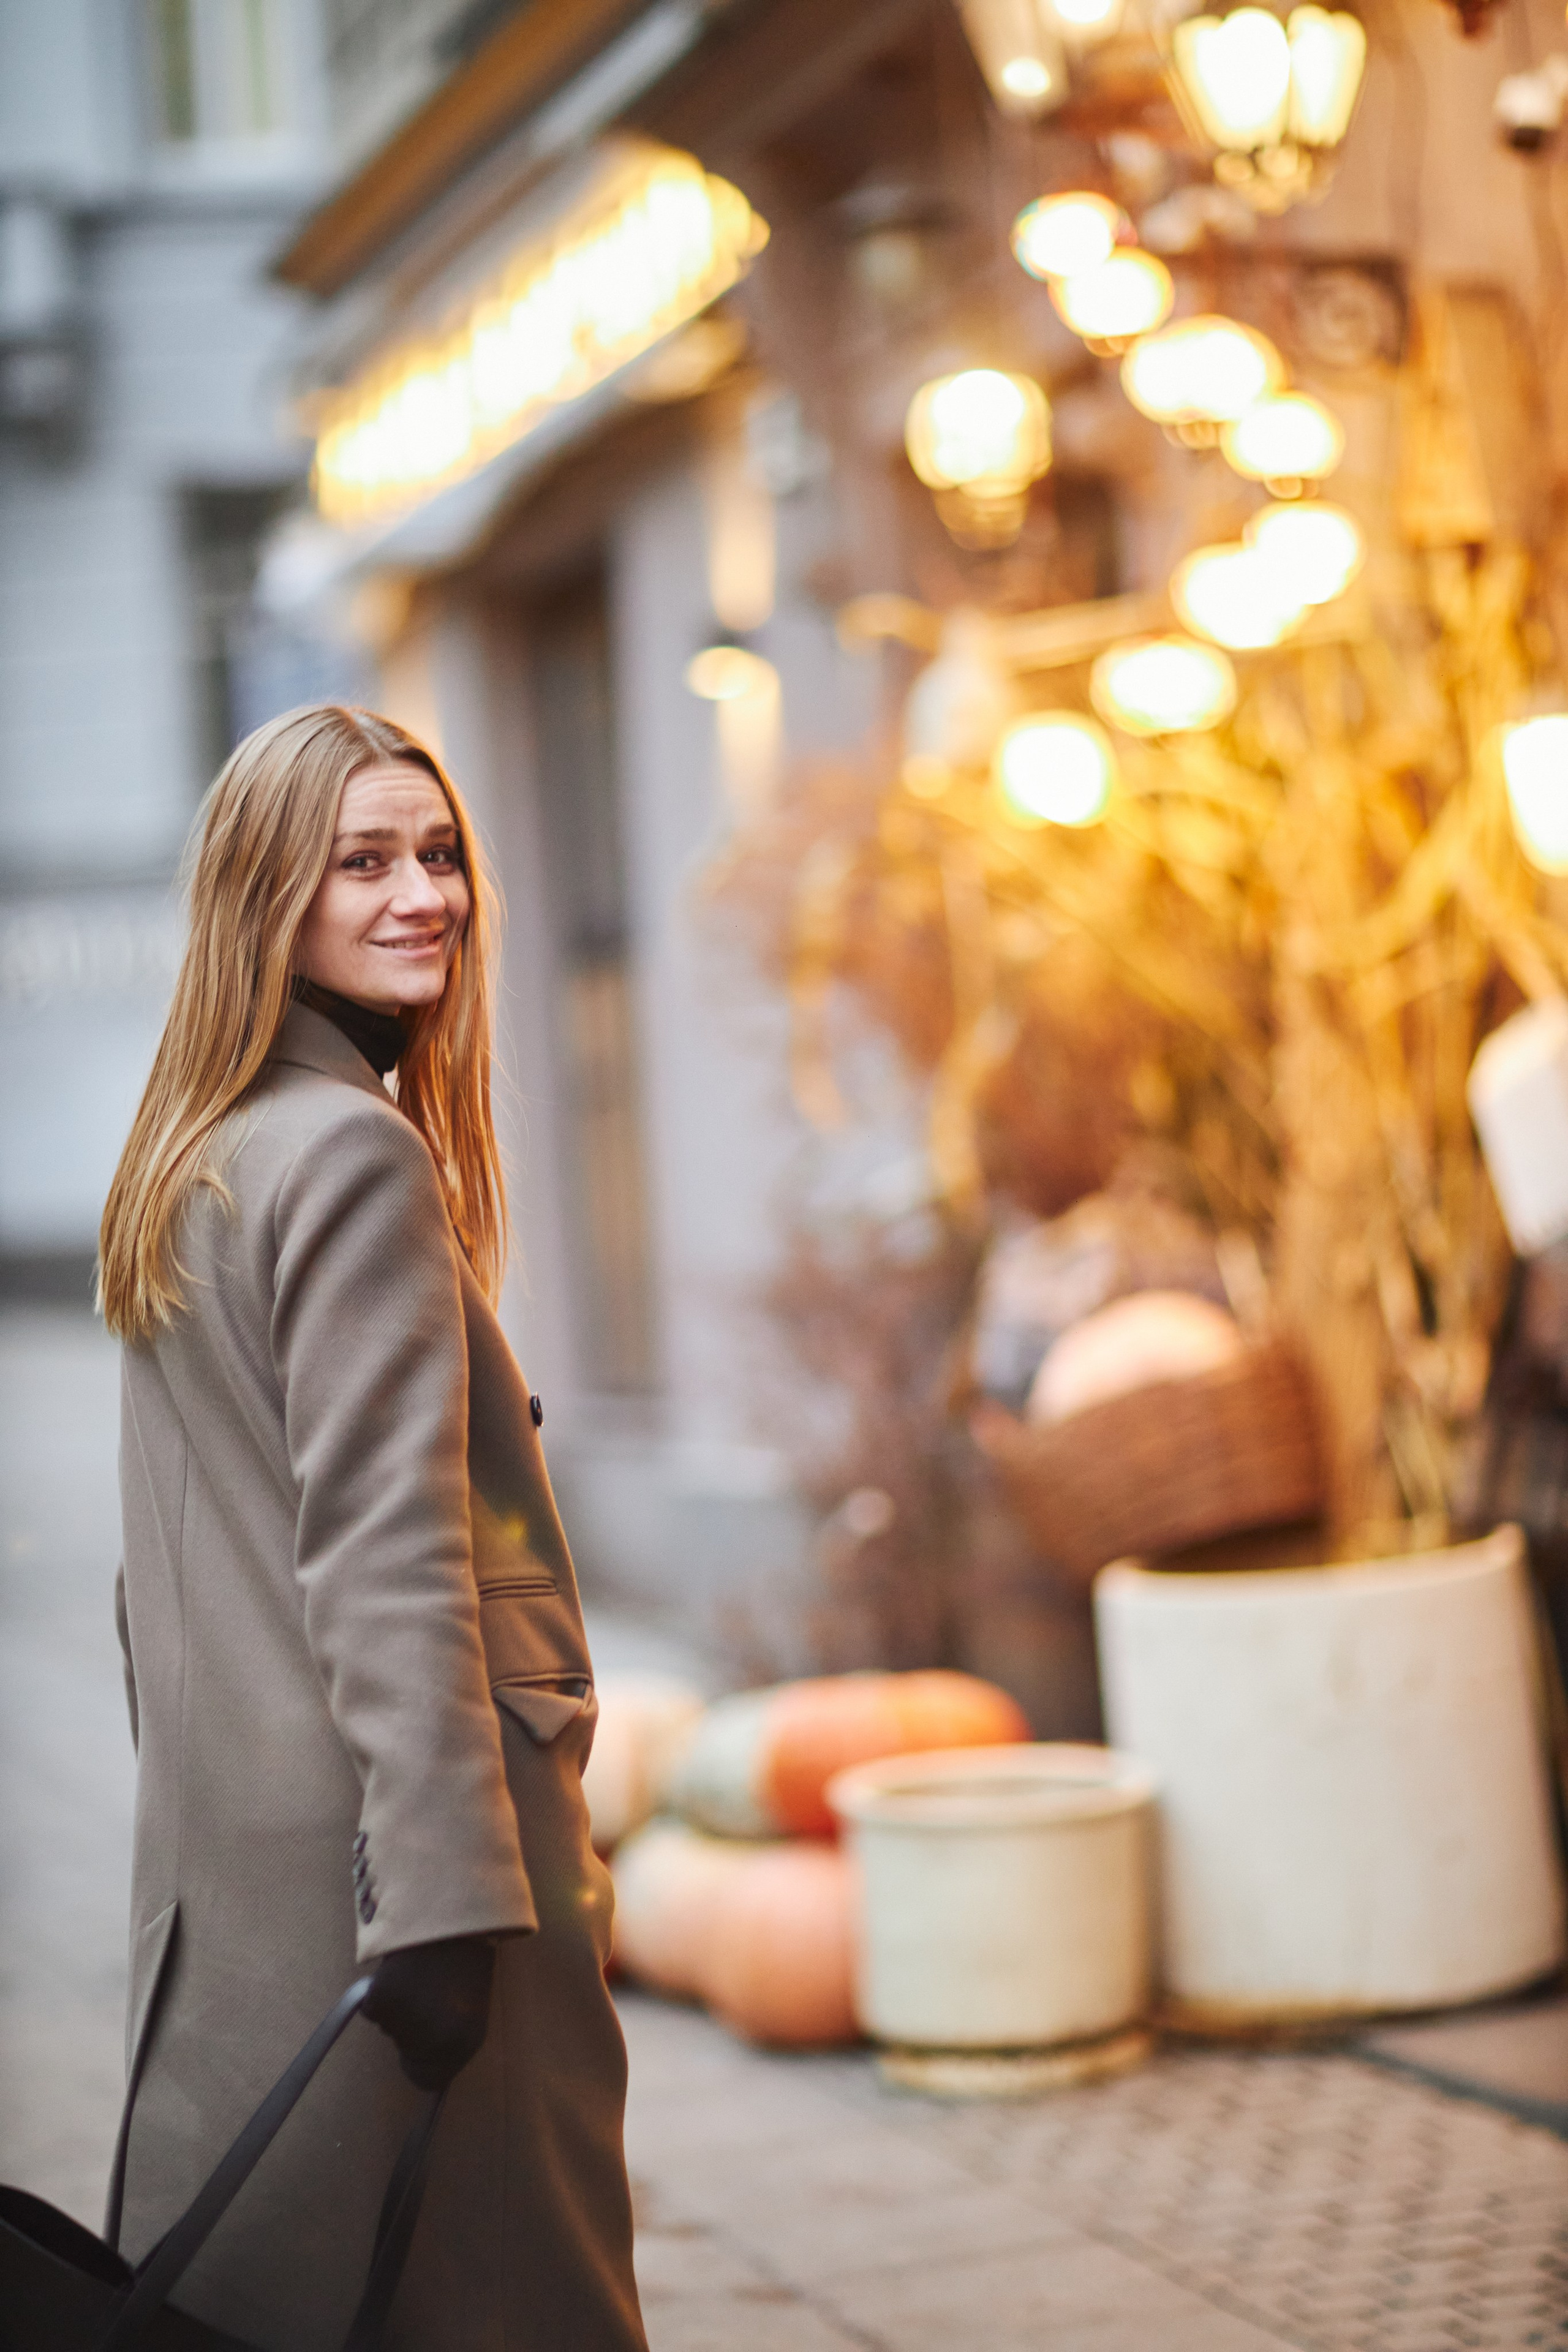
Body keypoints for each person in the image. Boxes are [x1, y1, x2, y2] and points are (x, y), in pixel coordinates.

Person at [96, 704, 649, 2351]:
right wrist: (448, 1902)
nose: (424, 894)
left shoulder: (204, 1155)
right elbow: (390, 1552)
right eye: (363, 862)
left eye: (439, 852)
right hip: (412, 1875)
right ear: (269, 897)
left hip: (241, 1878)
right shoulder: (348, 1157)